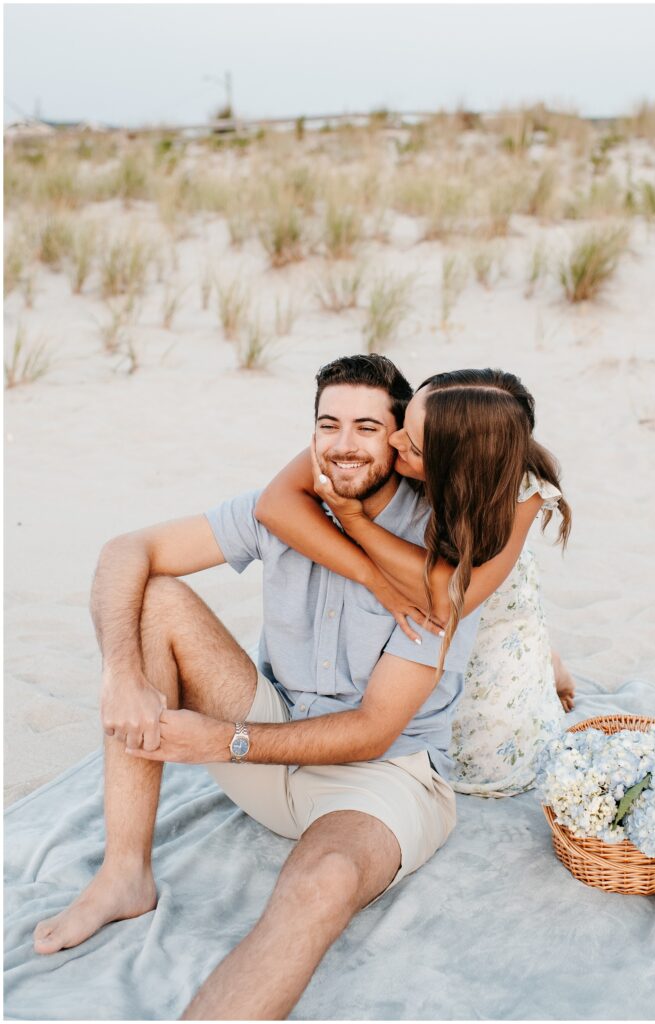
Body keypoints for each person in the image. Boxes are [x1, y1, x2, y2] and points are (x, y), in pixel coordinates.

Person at [33, 355, 502, 1021]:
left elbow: (373, 730)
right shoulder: (285, 508)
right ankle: (123, 876)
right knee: (156, 598)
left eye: (366, 426)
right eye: (327, 424)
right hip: (269, 734)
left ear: (401, 444)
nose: (343, 444)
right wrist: (120, 673)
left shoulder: (442, 551)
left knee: (323, 882)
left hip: (379, 778)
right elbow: (125, 550)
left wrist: (226, 741)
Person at [256, 366, 574, 798]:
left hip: (467, 613)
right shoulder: (419, 423)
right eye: (403, 425)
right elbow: (275, 503)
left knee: (484, 741)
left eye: (413, 445)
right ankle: (550, 662)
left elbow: (449, 601)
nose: (392, 440)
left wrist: (354, 522)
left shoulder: (520, 492)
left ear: (454, 463)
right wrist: (369, 573)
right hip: (412, 610)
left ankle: (548, 667)